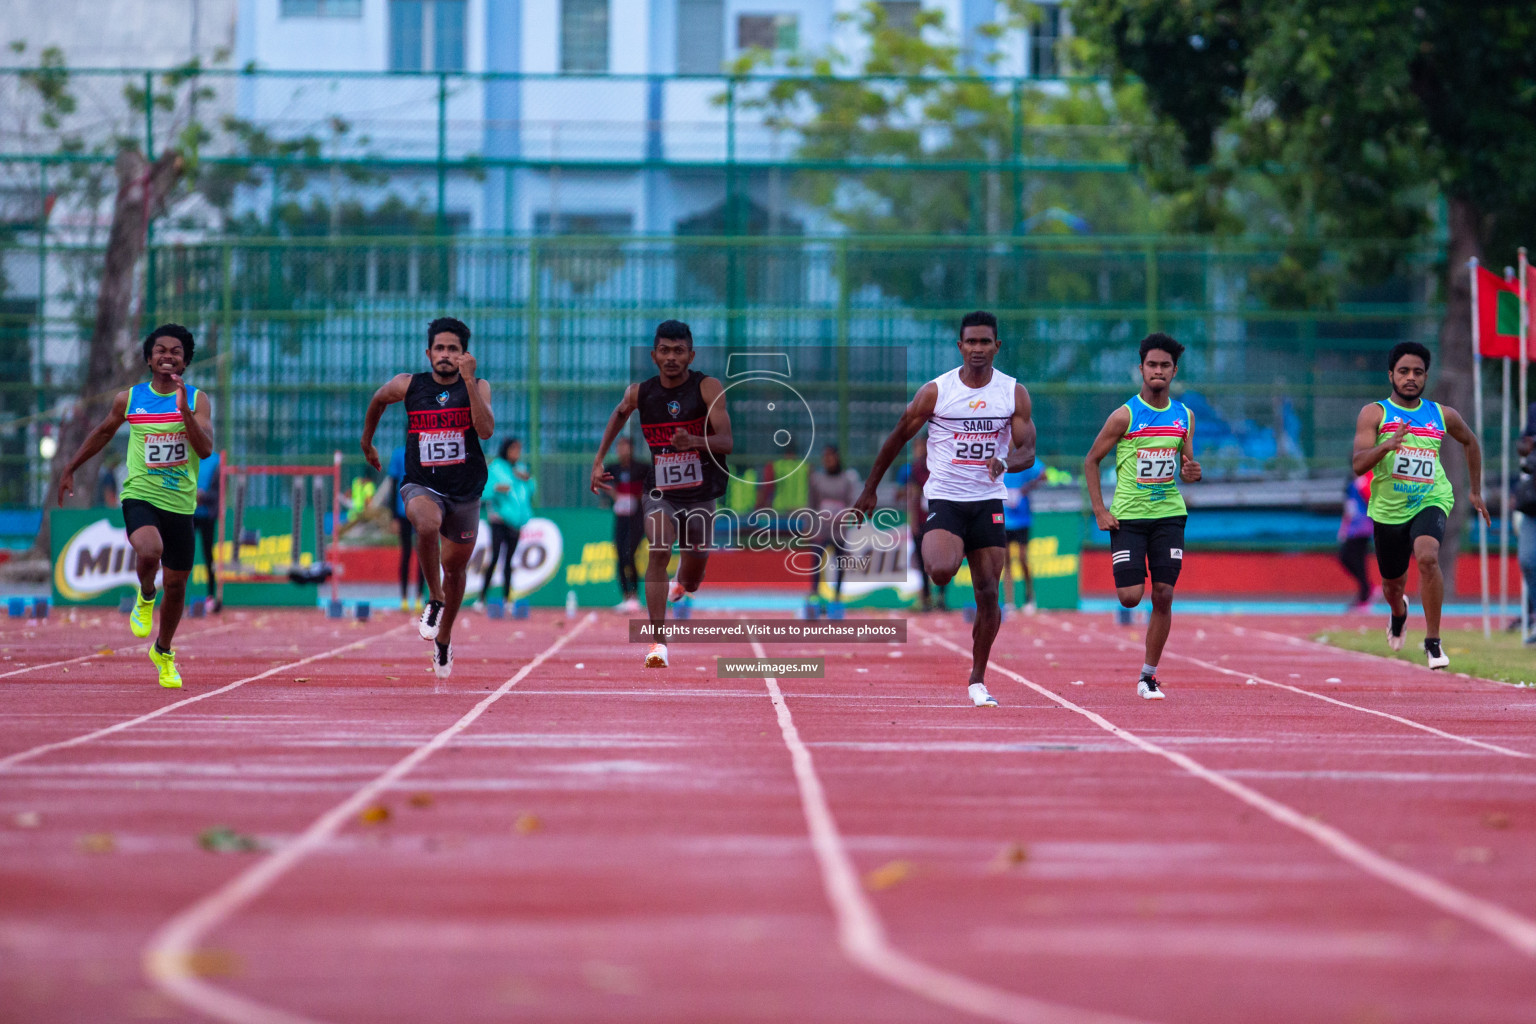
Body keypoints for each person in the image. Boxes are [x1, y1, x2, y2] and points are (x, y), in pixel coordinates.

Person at [854, 310, 1036, 708]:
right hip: (947, 500)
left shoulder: (1012, 393)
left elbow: (1027, 450)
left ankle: (977, 677)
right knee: (939, 571)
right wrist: (870, 490)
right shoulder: (937, 392)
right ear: (960, 346)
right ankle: (953, 559)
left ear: (996, 347)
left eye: (985, 342)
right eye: (970, 342)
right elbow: (898, 435)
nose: (977, 349)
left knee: (988, 592)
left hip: (988, 500)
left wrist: (1004, 463)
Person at [55, 324, 214, 688]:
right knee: (149, 547)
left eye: (176, 351)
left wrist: (184, 411)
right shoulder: (129, 399)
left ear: (185, 362)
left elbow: (205, 450)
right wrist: (71, 467)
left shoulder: (197, 400)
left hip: (181, 503)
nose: (167, 355)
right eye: (160, 349)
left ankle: (164, 651)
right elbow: (103, 432)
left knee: (177, 587)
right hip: (140, 493)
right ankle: (145, 593)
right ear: (148, 358)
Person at [590, 320, 733, 668]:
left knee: (694, 573)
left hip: (701, 493)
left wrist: (695, 441)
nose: (671, 357)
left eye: (679, 351)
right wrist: (597, 460)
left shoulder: (708, 387)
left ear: (691, 355)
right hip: (661, 490)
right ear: (654, 356)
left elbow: (727, 441)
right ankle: (658, 642)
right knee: (657, 549)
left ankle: (683, 583)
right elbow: (619, 414)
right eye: (665, 351)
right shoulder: (641, 393)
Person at [361, 316, 494, 680]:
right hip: (422, 484)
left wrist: (468, 380)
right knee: (425, 521)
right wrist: (367, 441)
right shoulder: (409, 385)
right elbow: (377, 400)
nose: (446, 355)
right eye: (440, 348)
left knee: (456, 570)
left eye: (453, 349)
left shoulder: (478, 385)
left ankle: (445, 637)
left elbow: (485, 430)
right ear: (428, 352)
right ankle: (434, 599)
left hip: (465, 491)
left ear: (465, 354)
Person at [1351, 340, 1488, 669]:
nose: (1410, 377)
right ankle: (1399, 613)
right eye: (1403, 371)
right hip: (1388, 509)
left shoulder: (1442, 415)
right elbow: (1358, 464)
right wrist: (1387, 446)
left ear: (1426, 376)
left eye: (1418, 372)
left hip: (1432, 498)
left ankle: (1433, 641)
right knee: (1392, 585)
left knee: (1427, 557)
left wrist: (1475, 491)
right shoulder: (1375, 413)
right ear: (1391, 375)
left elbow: (1471, 442)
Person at [1083, 332, 1202, 700]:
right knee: (1131, 597)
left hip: (1169, 514)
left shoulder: (1184, 415)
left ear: (1174, 371)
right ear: (1141, 369)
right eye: (1152, 364)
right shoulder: (1125, 415)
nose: (1158, 371)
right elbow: (1091, 460)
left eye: (1165, 365)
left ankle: (1148, 676)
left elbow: (1185, 463)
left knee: (1163, 594)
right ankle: (1129, 585)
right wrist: (1100, 510)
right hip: (1129, 518)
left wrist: (1190, 472)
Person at [478, 437, 535, 606]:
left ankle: (507, 598)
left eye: (518, 450)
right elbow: (484, 490)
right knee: (495, 557)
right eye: (513, 449)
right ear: (505, 450)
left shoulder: (520, 469)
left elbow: (531, 491)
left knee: (509, 561)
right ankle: (482, 598)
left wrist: (528, 480)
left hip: (516, 522)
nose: (516, 453)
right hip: (499, 519)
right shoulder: (495, 467)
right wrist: (496, 489)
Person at [805, 444, 862, 608]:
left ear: (837, 458)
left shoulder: (846, 480)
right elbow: (811, 505)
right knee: (817, 563)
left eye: (830, 457)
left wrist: (845, 515)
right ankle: (815, 596)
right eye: (825, 457)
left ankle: (837, 597)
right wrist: (810, 526)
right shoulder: (817, 479)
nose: (828, 460)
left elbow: (852, 502)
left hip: (839, 531)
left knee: (840, 564)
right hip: (821, 529)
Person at [597, 434, 649, 612]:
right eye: (619, 447)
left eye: (625, 446)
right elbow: (603, 485)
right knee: (619, 554)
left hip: (637, 518)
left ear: (632, 449)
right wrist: (613, 495)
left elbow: (651, 486)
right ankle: (625, 596)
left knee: (630, 553)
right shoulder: (613, 468)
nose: (622, 450)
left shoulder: (642, 467)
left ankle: (635, 596)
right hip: (620, 518)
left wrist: (638, 497)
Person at [895, 436, 946, 611]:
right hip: (921, 521)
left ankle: (941, 597)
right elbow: (902, 496)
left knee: (942, 560)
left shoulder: (940, 467)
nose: (919, 449)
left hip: (939, 520)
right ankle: (926, 597)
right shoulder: (912, 470)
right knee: (924, 561)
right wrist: (913, 521)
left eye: (921, 446)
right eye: (916, 446)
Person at [1000, 460, 1046, 613]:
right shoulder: (999, 454)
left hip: (1022, 517)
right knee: (1005, 561)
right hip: (1004, 517)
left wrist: (1024, 489)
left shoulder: (1023, 456)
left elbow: (1044, 475)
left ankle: (1029, 597)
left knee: (1022, 558)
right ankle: (1009, 602)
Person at [387, 444, 426, 611]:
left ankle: (419, 596)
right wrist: (393, 516)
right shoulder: (398, 454)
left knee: (424, 554)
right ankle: (403, 597)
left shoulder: (426, 452)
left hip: (423, 511)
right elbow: (393, 484)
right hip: (403, 511)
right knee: (406, 553)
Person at [1338, 473, 1375, 611]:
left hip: (1364, 526)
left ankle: (1365, 594)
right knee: (1346, 557)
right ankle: (1366, 589)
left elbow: (1372, 500)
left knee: (1358, 560)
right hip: (1352, 527)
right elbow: (1348, 506)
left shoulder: (1367, 481)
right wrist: (1344, 528)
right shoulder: (1351, 483)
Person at [193, 449, 222, 613]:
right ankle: (178, 596)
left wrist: (202, 497)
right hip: (188, 514)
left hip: (208, 516)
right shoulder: (187, 455)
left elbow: (219, 492)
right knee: (182, 557)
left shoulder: (216, 461)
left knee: (208, 556)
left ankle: (211, 597)